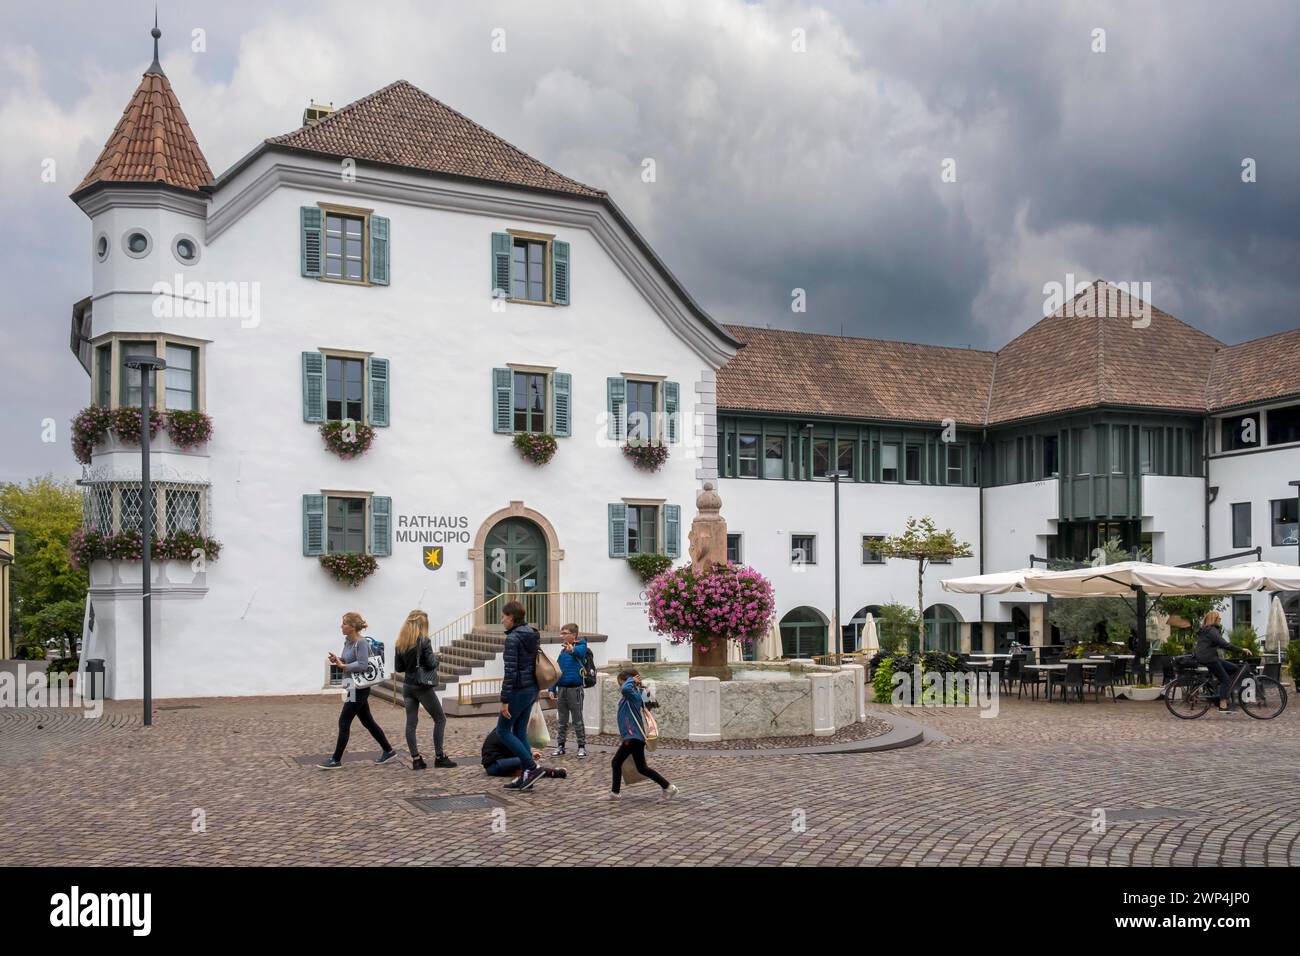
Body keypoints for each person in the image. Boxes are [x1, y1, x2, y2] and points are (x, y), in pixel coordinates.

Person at [319, 611, 397, 769]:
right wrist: (339, 660)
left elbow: (363, 665)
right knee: (368, 721)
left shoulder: (362, 643)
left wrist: (344, 665)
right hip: (351, 686)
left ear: (353, 627)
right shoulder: (347, 641)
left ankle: (336, 759)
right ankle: (388, 750)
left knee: (344, 721)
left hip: (360, 688)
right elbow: (347, 660)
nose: (341, 626)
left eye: (344, 623)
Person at [393, 609, 456, 770]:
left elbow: (398, 667)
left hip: (407, 685)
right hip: (422, 686)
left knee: (411, 723)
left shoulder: (400, 642)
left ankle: (416, 759)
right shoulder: (424, 641)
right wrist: (438, 658)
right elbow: (431, 664)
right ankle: (440, 757)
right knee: (440, 719)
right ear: (422, 624)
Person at [495, 600, 546, 791]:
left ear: (511, 617)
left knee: (503, 730)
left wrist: (505, 700)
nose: (502, 620)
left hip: (517, 690)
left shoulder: (513, 638)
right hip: (531, 688)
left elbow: (511, 671)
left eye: (503, 616)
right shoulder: (532, 634)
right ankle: (526, 774)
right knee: (519, 731)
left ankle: (532, 768)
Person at [609, 669, 678, 801]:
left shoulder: (633, 694)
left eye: (620, 683)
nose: (620, 687)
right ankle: (668, 787)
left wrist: (631, 680)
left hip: (632, 736)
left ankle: (615, 793)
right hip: (633, 736)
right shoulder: (635, 694)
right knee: (642, 768)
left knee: (616, 762)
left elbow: (626, 690)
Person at [548, 622, 588, 758]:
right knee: (562, 721)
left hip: (575, 690)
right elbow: (557, 672)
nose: (562, 636)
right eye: (561, 633)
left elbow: (580, 653)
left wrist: (572, 650)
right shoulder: (562, 651)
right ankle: (560, 746)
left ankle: (581, 747)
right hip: (562, 690)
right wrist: (552, 688)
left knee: (577, 720)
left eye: (564, 633)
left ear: (573, 635)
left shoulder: (582, 646)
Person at [1194, 610, 1239, 712]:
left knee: (1234, 668)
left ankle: (1221, 691)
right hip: (1209, 658)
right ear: (1213, 619)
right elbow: (1224, 644)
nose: (1220, 619)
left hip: (1208, 657)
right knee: (1226, 680)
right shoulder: (1212, 630)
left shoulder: (1206, 630)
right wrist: (1241, 650)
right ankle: (1223, 704)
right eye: (1218, 617)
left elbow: (1215, 643)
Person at [480, 729, 565, 780]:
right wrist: (529, 755)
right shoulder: (503, 734)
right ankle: (552, 772)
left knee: (526, 768)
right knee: (526, 762)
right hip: (495, 765)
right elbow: (514, 751)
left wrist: (530, 754)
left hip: (498, 763)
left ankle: (549, 772)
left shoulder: (503, 731)